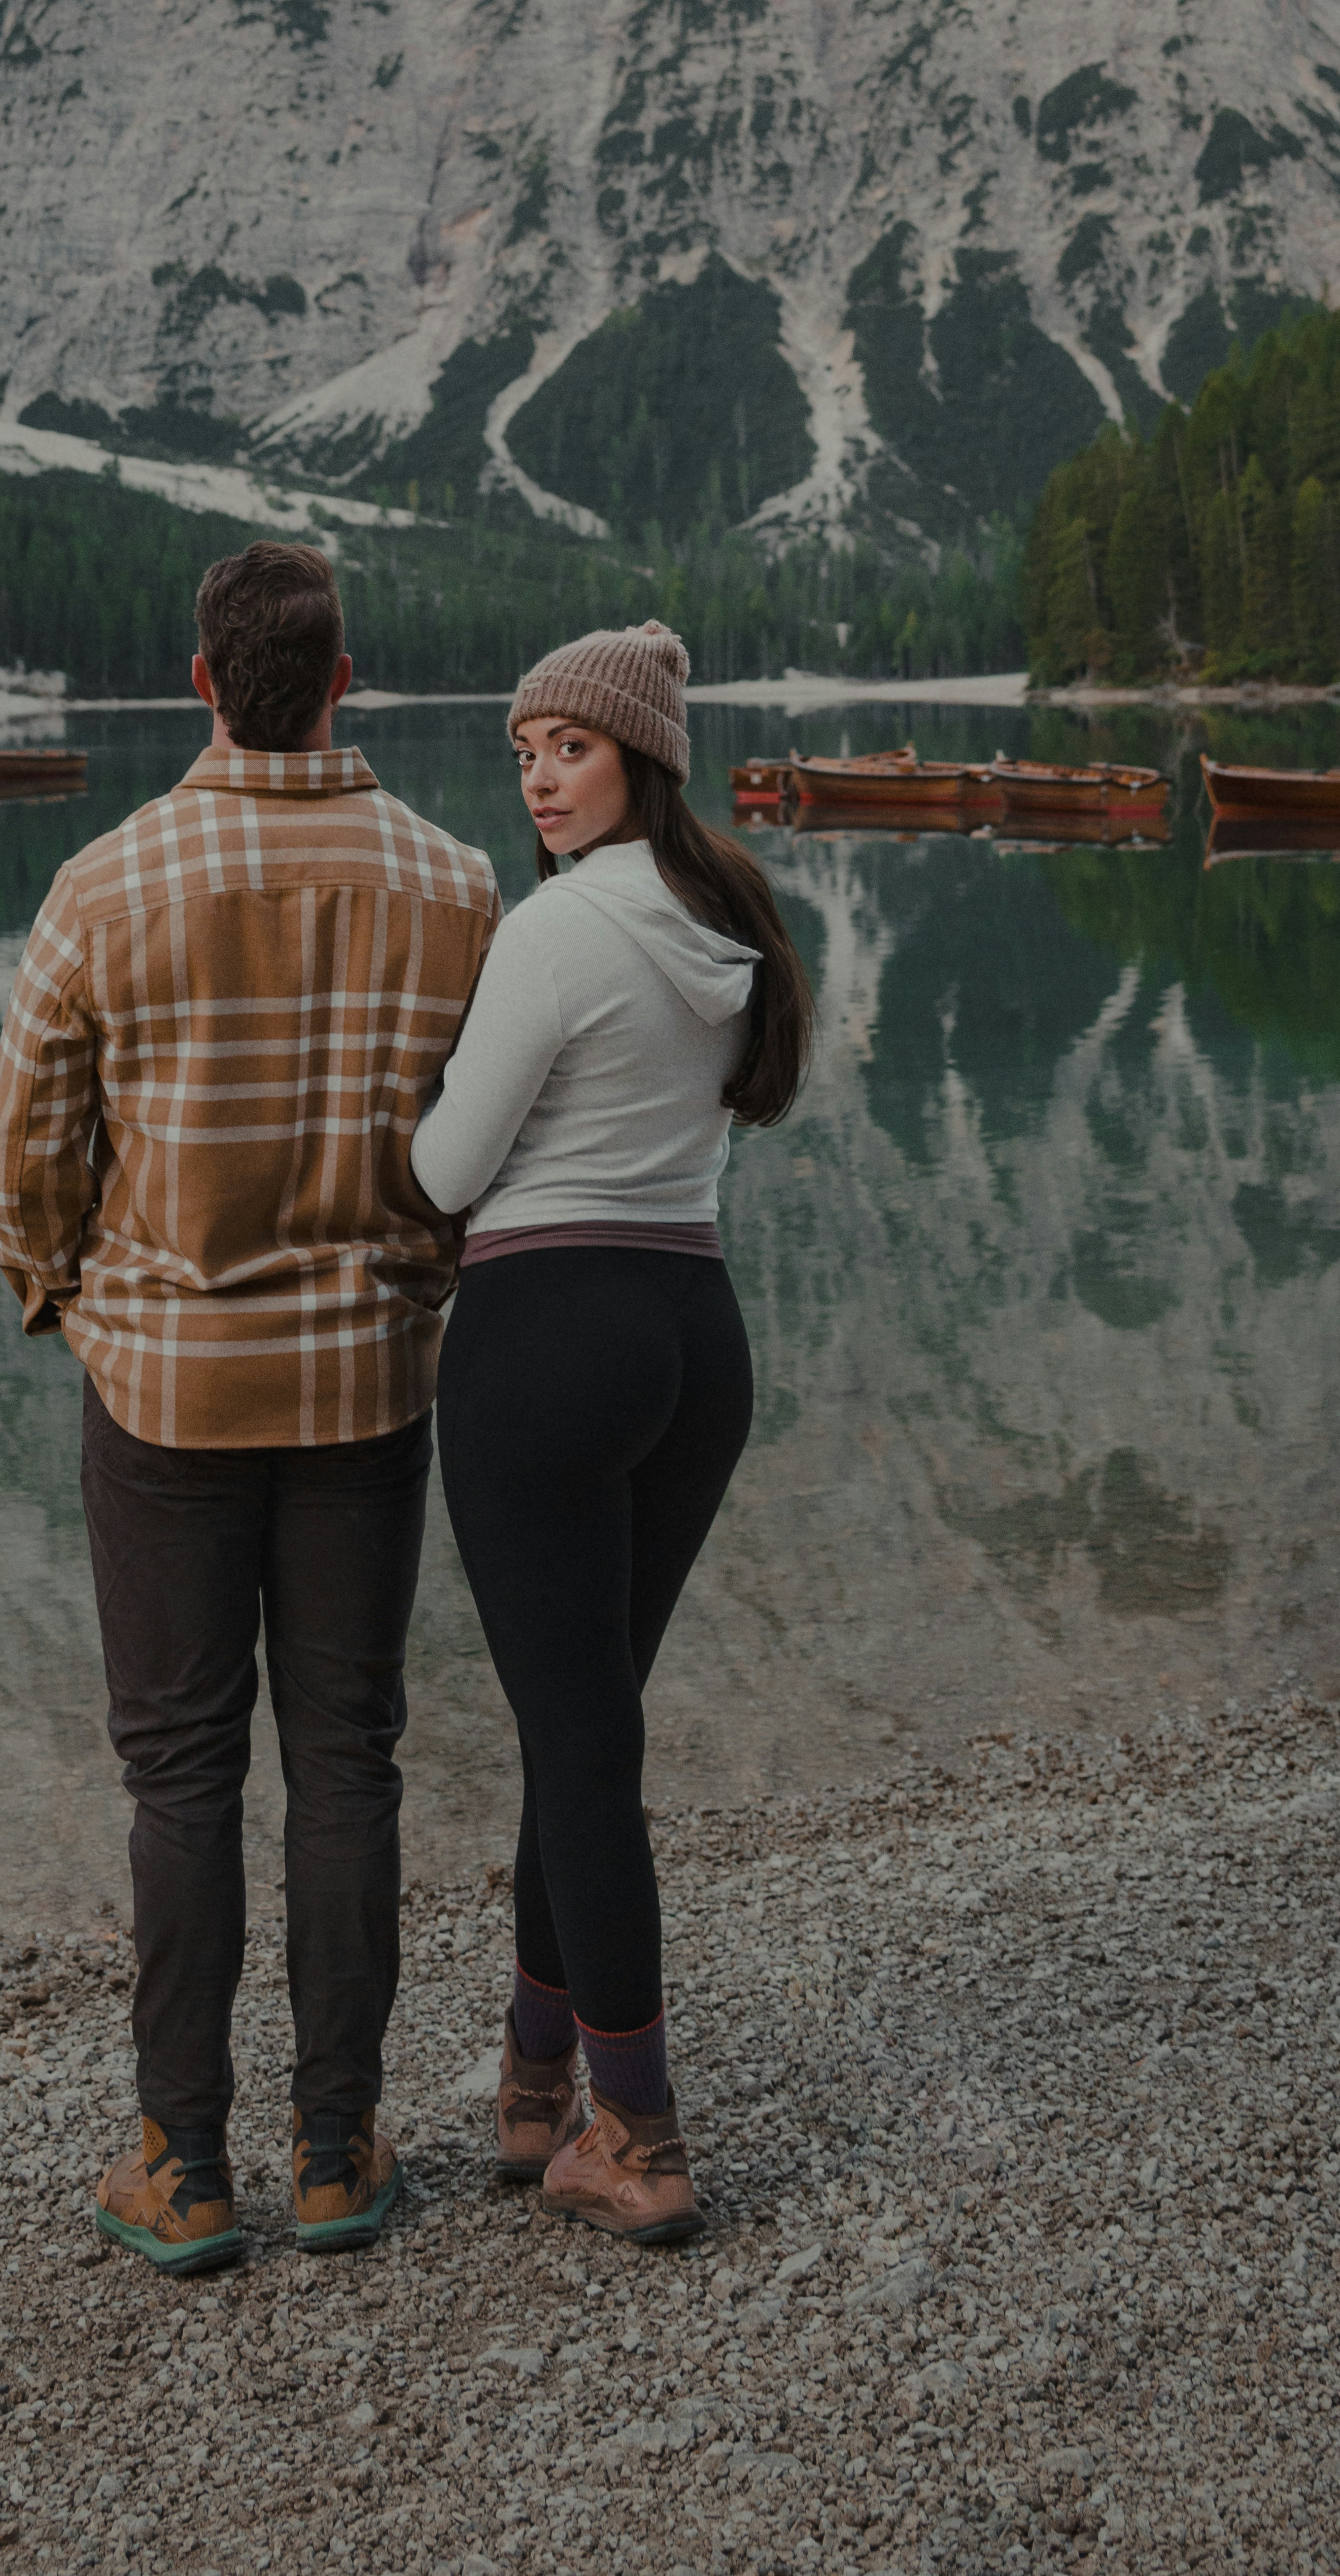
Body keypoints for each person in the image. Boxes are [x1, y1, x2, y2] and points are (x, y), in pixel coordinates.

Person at [0, 539, 500, 2270]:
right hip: (365, 1387)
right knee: (348, 1757)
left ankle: (183, 2166)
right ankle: (339, 2151)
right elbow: (485, 1154)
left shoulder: (103, 883)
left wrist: (73, 1302)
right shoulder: (455, 885)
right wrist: (419, 1288)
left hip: (166, 1398)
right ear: (345, 679)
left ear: (200, 682)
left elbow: (26, 1162)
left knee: (180, 1774)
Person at [414, 620, 813, 2244]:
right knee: (575, 1717)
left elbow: (447, 1173)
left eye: (564, 749)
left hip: (546, 1340)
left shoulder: (557, 931)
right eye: (522, 753)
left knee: (580, 1740)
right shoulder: (726, 925)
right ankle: (530, 2090)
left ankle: (633, 2134)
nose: (536, 778)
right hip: (689, 1338)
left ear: (637, 756)